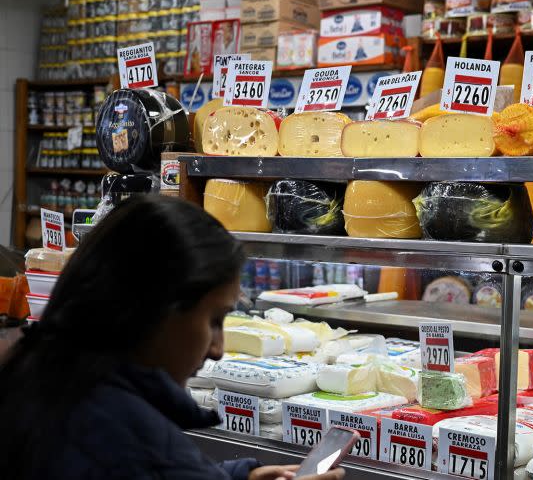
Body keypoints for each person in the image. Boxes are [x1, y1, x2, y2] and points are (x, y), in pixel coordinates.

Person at [0, 196, 344, 480]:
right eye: (213, 319)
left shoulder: (43, 373)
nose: (217, 348)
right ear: (153, 309)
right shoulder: (127, 438)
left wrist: (239, 476)